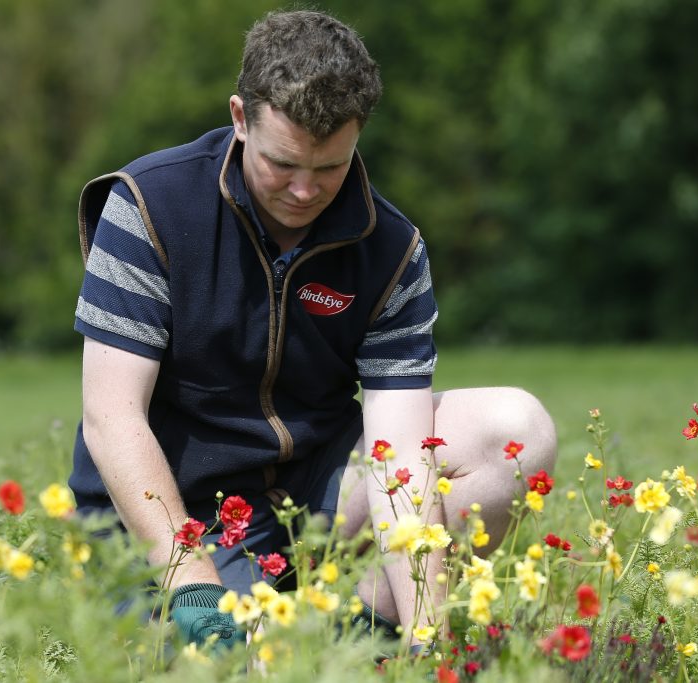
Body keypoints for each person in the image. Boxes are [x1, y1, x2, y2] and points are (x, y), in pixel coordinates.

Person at [69, 9, 556, 650]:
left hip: (316, 495)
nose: (304, 191)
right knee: (197, 658)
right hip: (174, 510)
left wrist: (428, 636)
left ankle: (366, 641)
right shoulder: (149, 207)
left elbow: (400, 455)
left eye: (328, 169)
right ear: (241, 119)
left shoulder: (392, 248)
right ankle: (239, 617)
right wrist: (190, 582)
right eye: (282, 164)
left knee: (513, 428)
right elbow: (112, 418)